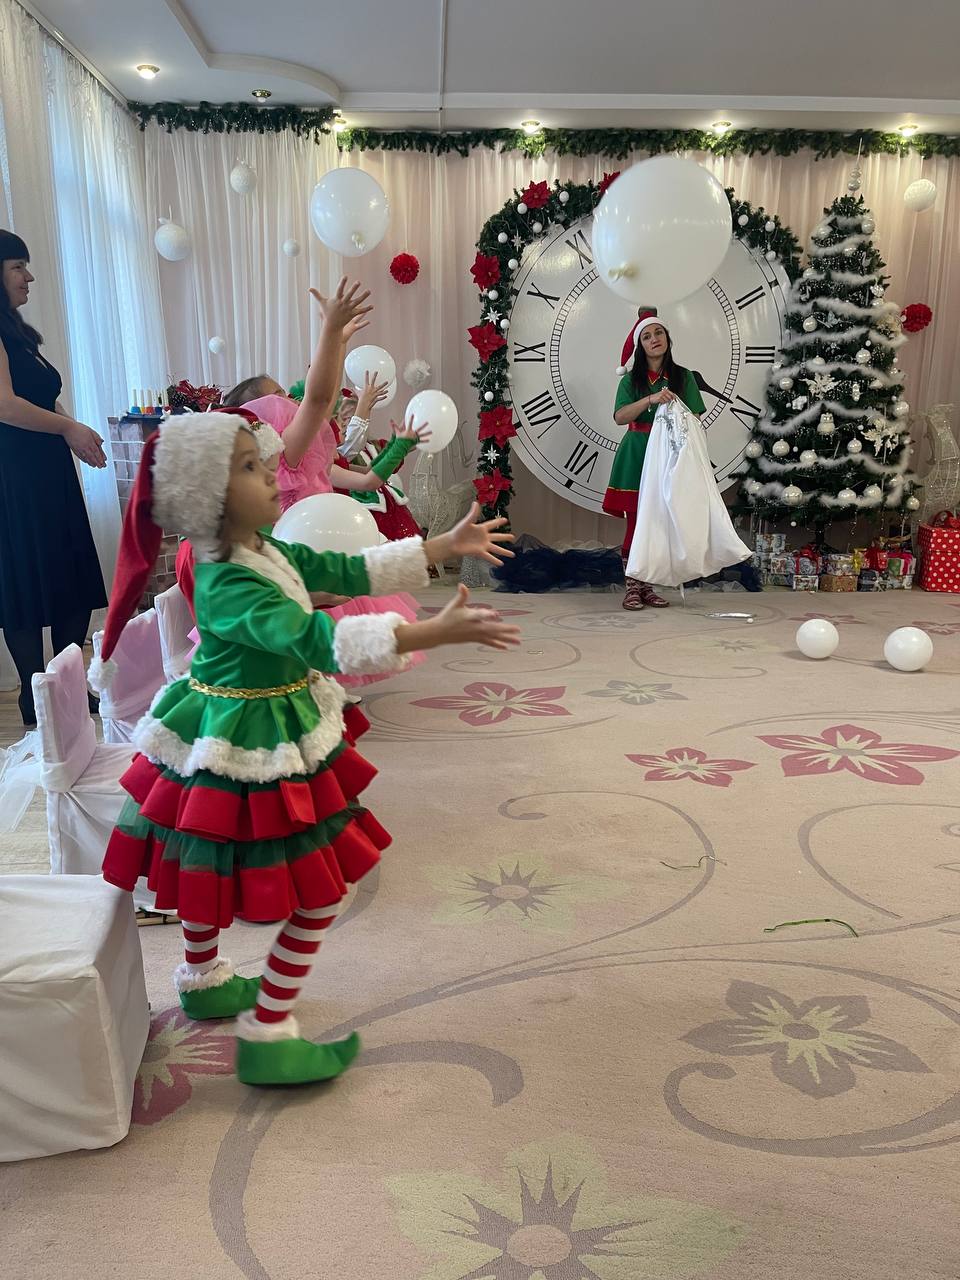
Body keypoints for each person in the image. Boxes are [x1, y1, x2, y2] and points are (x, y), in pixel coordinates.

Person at [90, 408, 519, 1087]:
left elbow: (343, 569)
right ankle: (268, 1034)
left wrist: (439, 546)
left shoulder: (263, 549)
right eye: (250, 467)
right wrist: (430, 633)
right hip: (238, 739)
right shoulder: (226, 579)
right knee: (317, 888)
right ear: (207, 499)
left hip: (256, 715)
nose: (271, 474)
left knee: (208, 862)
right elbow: (315, 639)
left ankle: (202, 979)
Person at [0, 230, 108, 725]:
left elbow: (41, 398)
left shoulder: (20, 335)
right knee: (26, 581)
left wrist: (73, 431)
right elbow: (5, 406)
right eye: (18, 267)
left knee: (68, 574)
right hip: (17, 477)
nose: (29, 277)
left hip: (47, 472)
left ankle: (65, 686)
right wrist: (68, 428)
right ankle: (34, 694)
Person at [604, 308, 706, 611]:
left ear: (667, 338)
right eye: (647, 336)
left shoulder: (684, 377)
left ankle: (648, 586)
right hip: (637, 454)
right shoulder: (631, 381)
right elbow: (620, 416)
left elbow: (695, 418)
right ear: (641, 345)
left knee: (661, 524)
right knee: (637, 523)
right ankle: (633, 587)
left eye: (658, 333)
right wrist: (650, 399)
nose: (654, 339)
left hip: (669, 455)